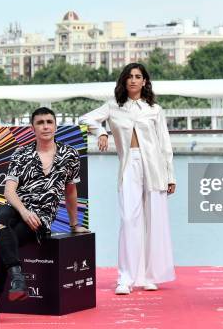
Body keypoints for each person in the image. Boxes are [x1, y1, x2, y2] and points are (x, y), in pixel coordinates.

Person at [0, 107, 89, 325]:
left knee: (4, 241)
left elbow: (70, 192)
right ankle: (17, 277)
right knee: (1, 213)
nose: (45, 126)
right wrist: (24, 211)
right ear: (33, 128)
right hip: (19, 208)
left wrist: (75, 224)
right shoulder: (22, 153)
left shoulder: (69, 155)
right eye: (40, 122)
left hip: (42, 219)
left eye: (49, 121)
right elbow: (9, 191)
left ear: (56, 125)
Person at [79, 63, 176, 295]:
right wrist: (102, 132)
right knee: (129, 219)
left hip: (154, 167)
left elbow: (164, 143)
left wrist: (170, 175)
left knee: (154, 220)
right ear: (124, 81)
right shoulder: (114, 107)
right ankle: (125, 277)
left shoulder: (154, 109)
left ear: (145, 81)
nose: (133, 80)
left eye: (138, 76)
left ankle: (150, 275)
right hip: (128, 166)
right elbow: (86, 119)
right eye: (129, 77)